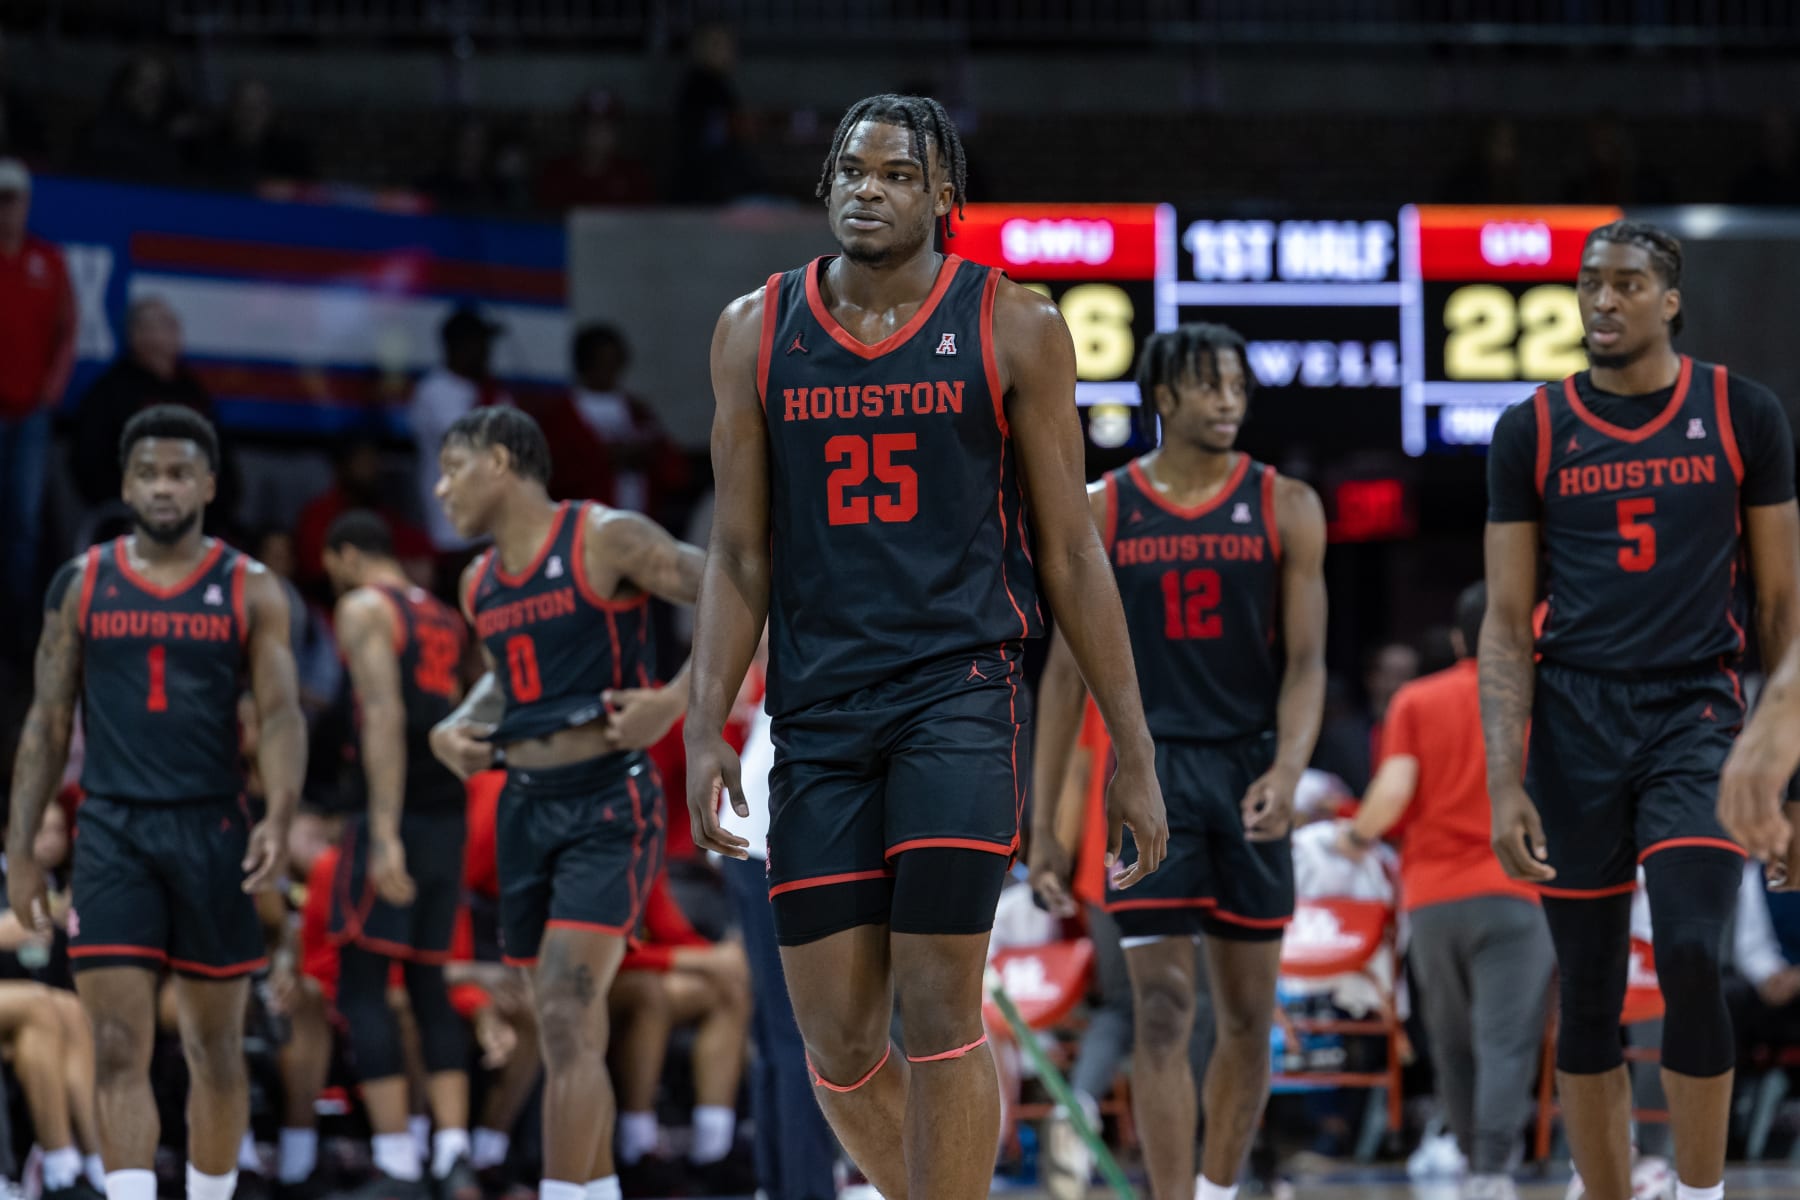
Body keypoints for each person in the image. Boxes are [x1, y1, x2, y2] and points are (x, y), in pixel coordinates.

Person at [684, 93, 1167, 1200]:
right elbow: (740, 556)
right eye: (853, 168)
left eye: (899, 174)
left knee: (942, 1006)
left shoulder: (1015, 325)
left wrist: (1130, 745)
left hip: (959, 693)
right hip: (814, 713)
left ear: (945, 197)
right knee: (841, 1045)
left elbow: (1074, 555)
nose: (869, 188)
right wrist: (708, 722)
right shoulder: (753, 331)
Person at [1482, 219, 1800, 1200]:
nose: (1602, 302)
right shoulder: (1531, 428)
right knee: (1587, 994)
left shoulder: (1742, 413)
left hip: (1697, 717)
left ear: (1671, 300)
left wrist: (1787, 773)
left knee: (1697, 954)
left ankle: (1701, 1194)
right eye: (1589, 285)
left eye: (1625, 284)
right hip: (1573, 725)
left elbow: (1783, 607)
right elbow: (1503, 618)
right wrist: (1503, 780)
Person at [1030, 323, 1327, 1200]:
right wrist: (1045, 827)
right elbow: (1062, 681)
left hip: (1249, 771)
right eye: (1208, 385)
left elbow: (1308, 664)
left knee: (1244, 1017)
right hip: (1146, 778)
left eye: (1238, 384)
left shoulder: (1287, 504)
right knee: (1160, 1008)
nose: (1229, 399)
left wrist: (1289, 772)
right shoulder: (1104, 507)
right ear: (1163, 398)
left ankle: (1218, 1186)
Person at [5, 404, 306, 1200]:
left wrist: (278, 813)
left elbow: (279, 714)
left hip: (212, 828)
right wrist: (19, 846)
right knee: (113, 1045)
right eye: (147, 473)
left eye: (178, 472)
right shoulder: (82, 582)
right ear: (125, 483)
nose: (162, 487)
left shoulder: (252, 585)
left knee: (213, 1049)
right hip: (111, 832)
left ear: (208, 482)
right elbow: (46, 718)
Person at [425, 405, 703, 1200]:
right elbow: (508, 679)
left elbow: (733, 588)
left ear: (504, 462)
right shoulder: (479, 583)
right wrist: (459, 725)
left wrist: (674, 701)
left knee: (567, 1011)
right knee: (559, 1024)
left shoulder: (603, 536)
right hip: (523, 803)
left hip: (606, 800)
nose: (439, 487)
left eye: (452, 466)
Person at [1334, 582, 1552, 1200]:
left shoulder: (1417, 699)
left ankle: (1464, 1151)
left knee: (1452, 1040)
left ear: (1457, 638)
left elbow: (1394, 791)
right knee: (1506, 1039)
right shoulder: (1535, 699)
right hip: (1519, 892)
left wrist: (1353, 838)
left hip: (1432, 900)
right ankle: (1490, 1169)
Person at [319, 510, 480, 1200]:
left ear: (347, 555)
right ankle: (451, 1154)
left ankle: (397, 1163)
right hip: (450, 811)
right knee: (428, 984)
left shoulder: (363, 607)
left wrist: (382, 831)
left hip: (396, 809)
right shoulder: (442, 613)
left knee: (364, 987)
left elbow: (381, 714)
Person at [0, 157, 76, 622]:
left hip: (31, 414)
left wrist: (53, 387)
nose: (6, 210)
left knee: (24, 524)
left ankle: (17, 628)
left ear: (27, 203)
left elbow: (68, 330)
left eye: (13, 200)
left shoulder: (49, 261)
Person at [408, 306, 512, 561]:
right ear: (459, 345)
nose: (487, 351)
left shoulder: (495, 391)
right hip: (450, 528)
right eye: (480, 342)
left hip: (494, 525)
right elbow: (467, 444)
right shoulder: (433, 391)